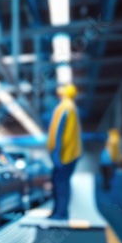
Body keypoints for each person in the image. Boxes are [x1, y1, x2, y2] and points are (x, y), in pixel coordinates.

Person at [47, 83, 82, 220]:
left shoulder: (64, 107)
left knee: (60, 183)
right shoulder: (71, 107)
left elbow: (58, 131)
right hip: (69, 153)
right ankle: (59, 211)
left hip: (65, 154)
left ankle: (60, 213)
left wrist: (56, 152)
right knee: (59, 182)